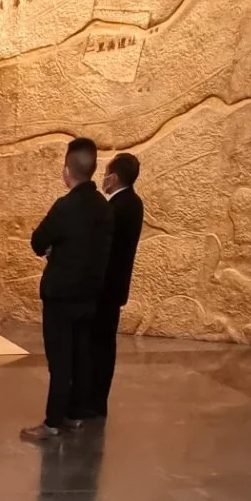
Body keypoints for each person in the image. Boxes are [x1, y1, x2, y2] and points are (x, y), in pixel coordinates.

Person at [21, 137, 111, 444]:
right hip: (89, 295)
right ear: (93, 168)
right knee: (82, 356)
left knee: (60, 361)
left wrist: (54, 250)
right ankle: (75, 415)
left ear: (66, 170)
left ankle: (52, 423)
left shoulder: (65, 206)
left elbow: (38, 241)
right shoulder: (103, 207)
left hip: (61, 296)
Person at [89, 152, 144, 419]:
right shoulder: (134, 203)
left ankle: (93, 402)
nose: (103, 179)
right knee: (105, 345)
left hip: (104, 288)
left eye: (105, 174)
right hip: (116, 287)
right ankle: (97, 401)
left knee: (98, 346)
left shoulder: (115, 208)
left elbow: (101, 248)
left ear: (113, 177)